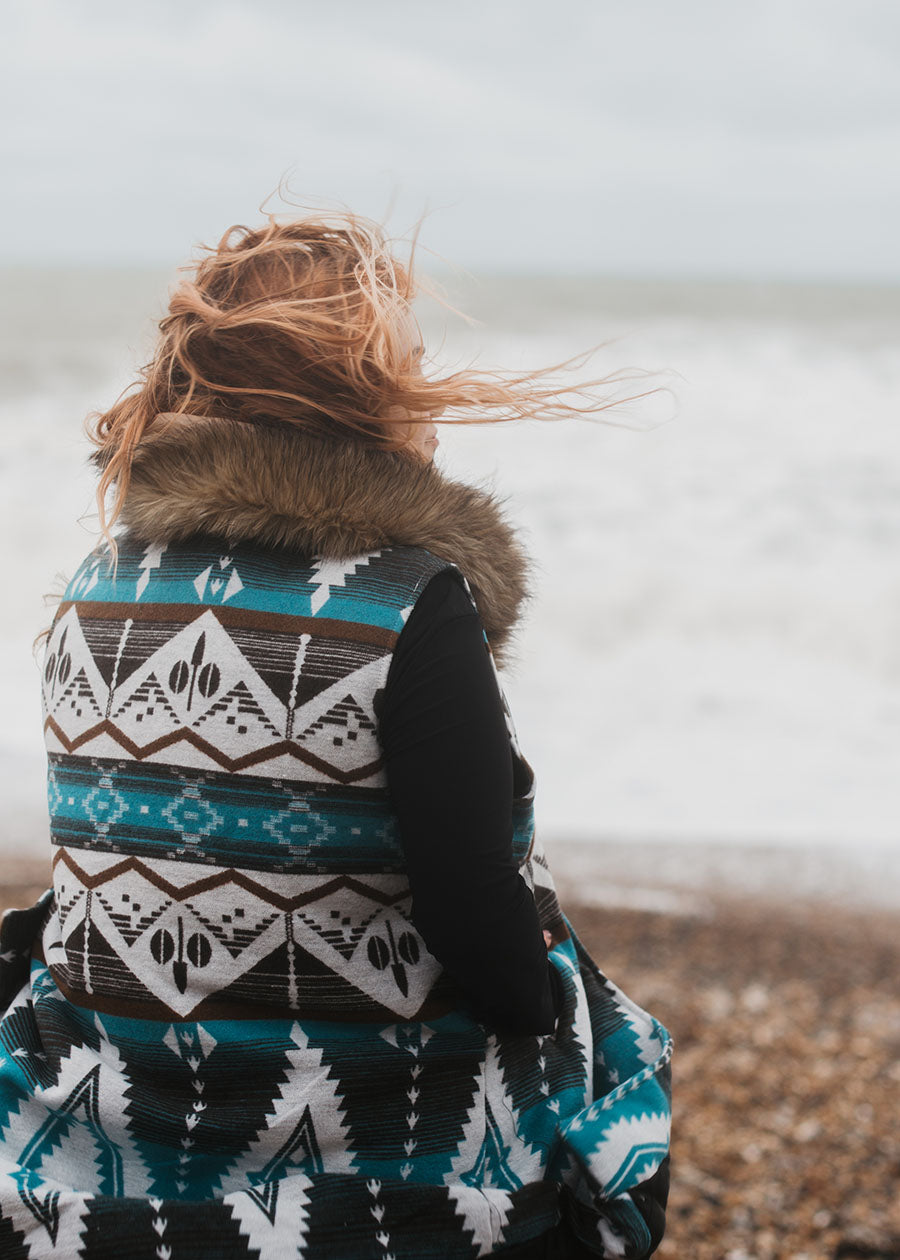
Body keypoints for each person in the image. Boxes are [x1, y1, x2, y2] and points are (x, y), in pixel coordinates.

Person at [0, 212, 671, 1258]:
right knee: (614, 1042)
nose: (431, 397)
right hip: (357, 1129)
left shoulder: (97, 586)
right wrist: (539, 983)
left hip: (109, 1110)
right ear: (351, 401)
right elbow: (471, 912)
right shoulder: (410, 604)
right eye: (410, 365)